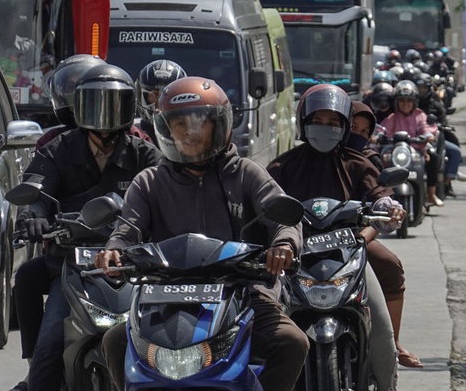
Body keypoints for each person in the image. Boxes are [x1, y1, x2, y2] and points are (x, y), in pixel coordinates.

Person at [95, 76, 308, 391]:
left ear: (219, 126)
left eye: (199, 122)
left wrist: (284, 244)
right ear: (166, 130)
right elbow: (127, 229)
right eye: (179, 123)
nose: (188, 131)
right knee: (114, 340)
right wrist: (114, 250)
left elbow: (283, 216)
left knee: (292, 342)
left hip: (243, 291)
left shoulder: (246, 173)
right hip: (163, 296)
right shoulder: (149, 181)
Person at [8, 64, 162, 391]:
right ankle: (35, 372)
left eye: (112, 103)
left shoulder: (145, 153)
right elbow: (36, 188)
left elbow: (165, 195)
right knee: (49, 346)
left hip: (131, 266)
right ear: (79, 106)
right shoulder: (56, 149)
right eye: (95, 103)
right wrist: (34, 216)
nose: (103, 116)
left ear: (127, 106)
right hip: (71, 265)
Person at [266, 83, 406, 389]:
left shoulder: (357, 163)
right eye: (318, 121)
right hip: (294, 259)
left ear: (344, 127)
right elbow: (262, 204)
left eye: (333, 124)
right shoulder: (282, 166)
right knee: (257, 322)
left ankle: (387, 384)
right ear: (304, 123)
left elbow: (380, 195)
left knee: (381, 329)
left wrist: (388, 208)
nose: (324, 129)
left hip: (347, 256)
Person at [349, 100, 424, 368]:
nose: (354, 135)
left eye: (362, 131)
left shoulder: (367, 161)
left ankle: (392, 343)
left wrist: (364, 235)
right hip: (306, 243)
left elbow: (381, 200)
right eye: (349, 127)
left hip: (352, 242)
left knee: (390, 265)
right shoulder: (297, 161)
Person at [378, 80, 466, 208]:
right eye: (402, 100)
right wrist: (377, 137)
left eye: (409, 101)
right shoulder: (392, 117)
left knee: (434, 158)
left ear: (414, 102)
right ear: (397, 102)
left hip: (417, 151)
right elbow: (382, 130)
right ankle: (379, 195)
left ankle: (431, 193)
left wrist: (429, 135)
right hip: (397, 152)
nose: (406, 104)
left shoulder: (420, 115)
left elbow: (426, 128)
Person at [134, 59, 186, 144]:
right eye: (154, 94)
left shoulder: (190, 134)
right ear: (141, 95)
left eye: (167, 95)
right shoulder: (132, 133)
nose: (160, 102)